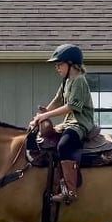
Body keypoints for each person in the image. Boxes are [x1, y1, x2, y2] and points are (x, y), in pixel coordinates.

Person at [29, 43, 95, 204]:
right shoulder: (66, 81)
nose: (57, 68)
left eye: (59, 64)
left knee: (63, 146)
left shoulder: (79, 80)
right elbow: (58, 100)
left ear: (71, 64)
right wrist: (42, 114)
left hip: (80, 124)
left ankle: (70, 191)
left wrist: (46, 116)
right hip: (68, 123)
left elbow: (71, 106)